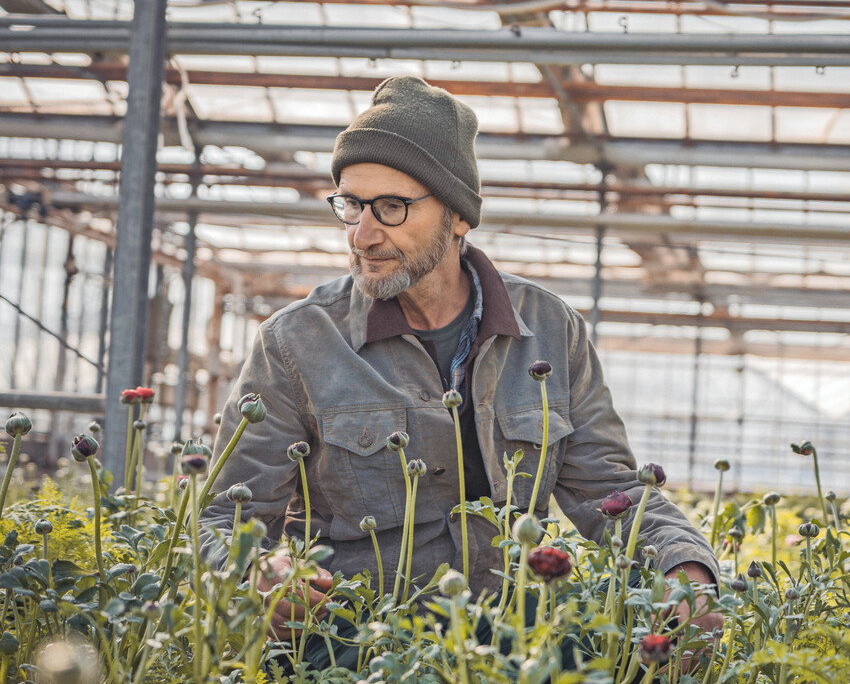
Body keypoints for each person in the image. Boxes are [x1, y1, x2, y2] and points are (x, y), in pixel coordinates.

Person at [201, 75, 721, 656]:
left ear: (458, 217)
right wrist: (255, 574)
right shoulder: (295, 342)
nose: (362, 235)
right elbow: (222, 516)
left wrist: (686, 570)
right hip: (355, 643)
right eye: (350, 204)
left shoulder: (551, 329)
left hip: (515, 636)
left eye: (392, 207)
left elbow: (613, 490)